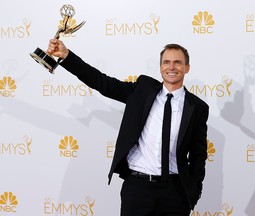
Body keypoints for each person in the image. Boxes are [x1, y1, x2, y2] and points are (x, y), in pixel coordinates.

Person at [47, 40, 209, 216]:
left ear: (187, 68)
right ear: (161, 66)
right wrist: (67, 57)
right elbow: (103, 83)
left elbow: (198, 155)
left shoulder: (197, 107)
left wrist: (193, 192)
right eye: (166, 62)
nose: (171, 67)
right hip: (137, 189)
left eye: (177, 62)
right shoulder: (142, 90)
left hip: (175, 193)